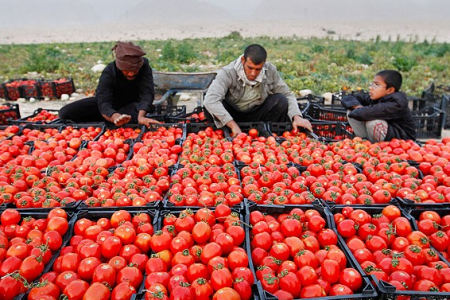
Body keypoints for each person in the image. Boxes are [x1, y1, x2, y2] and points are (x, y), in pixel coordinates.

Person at [204, 44, 312, 136]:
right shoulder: (228, 72)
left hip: (257, 114)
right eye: (250, 68)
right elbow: (210, 100)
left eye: (258, 69)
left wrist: (296, 117)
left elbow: (287, 94)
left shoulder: (270, 70)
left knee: (280, 100)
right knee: (210, 106)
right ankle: (226, 131)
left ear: (264, 63)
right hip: (232, 114)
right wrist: (233, 125)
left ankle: (268, 133)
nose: (253, 73)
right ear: (243, 61)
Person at [59, 41, 159, 127]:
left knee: (134, 116)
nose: (131, 73)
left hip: (130, 105)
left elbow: (147, 92)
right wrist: (114, 116)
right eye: (126, 71)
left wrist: (141, 117)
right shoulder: (109, 72)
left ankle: (114, 122)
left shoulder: (144, 66)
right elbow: (103, 101)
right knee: (65, 113)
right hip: (106, 105)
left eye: (135, 70)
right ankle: (109, 120)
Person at [341, 70, 416, 142]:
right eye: (372, 84)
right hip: (388, 135)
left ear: (390, 90)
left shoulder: (397, 103)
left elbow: (367, 114)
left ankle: (377, 149)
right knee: (351, 110)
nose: (371, 88)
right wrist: (357, 108)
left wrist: (360, 111)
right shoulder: (377, 97)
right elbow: (348, 97)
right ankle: (365, 143)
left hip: (402, 140)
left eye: (376, 85)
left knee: (373, 122)